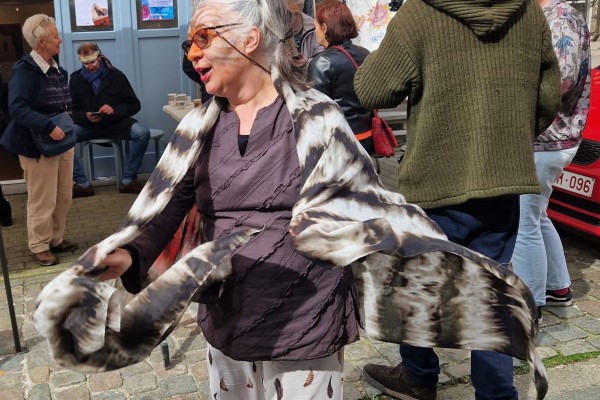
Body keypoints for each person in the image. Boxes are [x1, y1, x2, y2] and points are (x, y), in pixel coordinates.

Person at [354, 0, 561, 399]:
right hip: (501, 181)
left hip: (434, 181)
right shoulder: (529, 13)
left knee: (416, 285)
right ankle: (496, 394)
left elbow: (371, 88)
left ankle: (418, 377)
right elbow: (549, 97)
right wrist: (508, 139)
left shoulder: (419, 12)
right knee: (489, 292)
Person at [511, 0, 591, 312]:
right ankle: (558, 288)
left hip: (547, 139)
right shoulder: (554, 15)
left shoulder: (559, 17)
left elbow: (562, 78)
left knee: (523, 224)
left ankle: (530, 309)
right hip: (551, 138)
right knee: (538, 217)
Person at [0, 14, 78, 266]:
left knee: (63, 194)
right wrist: (47, 126)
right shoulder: (24, 70)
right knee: (42, 198)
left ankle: (56, 238)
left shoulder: (57, 69)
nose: (60, 41)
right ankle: (39, 244)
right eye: (56, 36)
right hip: (37, 144)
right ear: (42, 41)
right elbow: (17, 108)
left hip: (62, 141)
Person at [69, 42, 150, 197]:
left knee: (142, 132)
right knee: (62, 138)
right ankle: (82, 184)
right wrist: (85, 117)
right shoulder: (75, 79)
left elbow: (134, 104)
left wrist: (115, 109)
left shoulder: (116, 76)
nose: (89, 66)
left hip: (116, 123)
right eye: (85, 63)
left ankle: (128, 180)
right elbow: (72, 110)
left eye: (92, 62)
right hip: (89, 126)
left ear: (99, 57)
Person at [307, 0, 373, 154]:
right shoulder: (365, 54)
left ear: (324, 28)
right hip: (367, 135)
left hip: (339, 141)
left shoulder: (322, 62)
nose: (314, 30)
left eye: (315, 26)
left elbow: (317, 111)